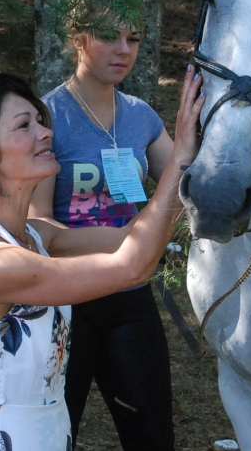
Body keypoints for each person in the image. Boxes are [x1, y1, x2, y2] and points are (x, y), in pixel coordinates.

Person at [0, 68, 203, 451]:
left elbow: (131, 239)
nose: (46, 132)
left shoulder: (36, 237)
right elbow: (132, 266)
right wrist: (180, 159)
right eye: (24, 125)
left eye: (41, 120)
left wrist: (191, 167)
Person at [29, 25, 176, 450]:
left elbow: (182, 190)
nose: (123, 50)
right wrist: (132, 237)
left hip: (130, 295)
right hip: (64, 301)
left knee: (151, 435)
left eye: (133, 39)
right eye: (110, 37)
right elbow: (41, 230)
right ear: (77, 38)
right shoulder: (47, 119)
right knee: (55, 437)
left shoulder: (140, 116)